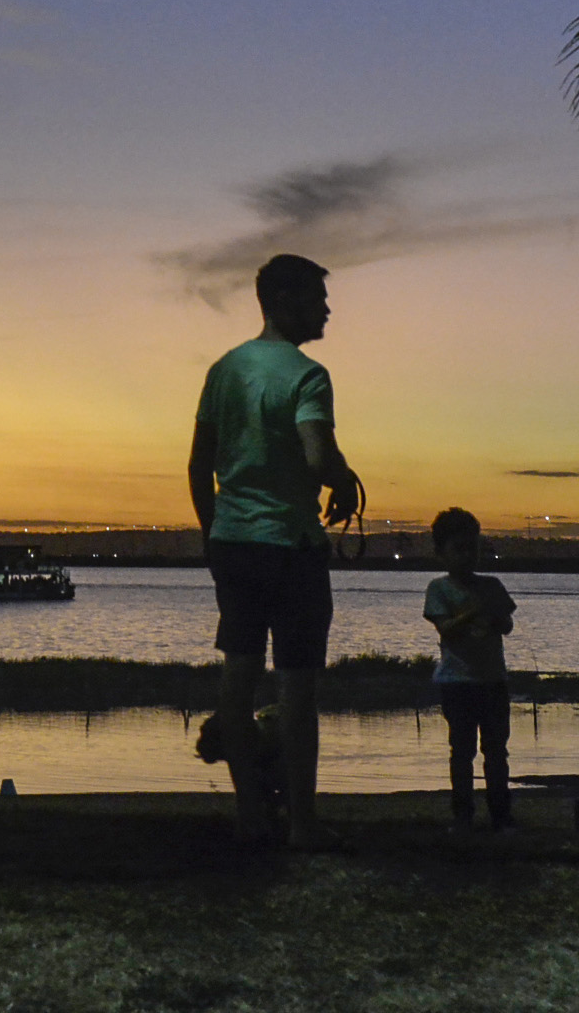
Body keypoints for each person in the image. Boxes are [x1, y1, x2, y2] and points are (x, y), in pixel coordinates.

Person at [186, 251, 361, 850]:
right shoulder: (309, 376)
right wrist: (341, 477)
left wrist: (213, 533)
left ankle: (251, 812)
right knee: (297, 689)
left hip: (234, 544)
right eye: (317, 298)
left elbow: (198, 465)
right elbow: (317, 454)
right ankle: (302, 823)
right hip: (291, 546)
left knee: (237, 676)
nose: (327, 309)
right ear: (285, 303)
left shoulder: (223, 371)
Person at [423, 506, 516, 832]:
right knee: (462, 752)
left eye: (472, 548)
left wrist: (495, 616)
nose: (468, 556)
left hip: (492, 681)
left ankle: (500, 815)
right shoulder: (438, 589)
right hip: (457, 683)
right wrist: (475, 612)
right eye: (459, 549)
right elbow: (446, 629)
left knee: (496, 752)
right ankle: (463, 815)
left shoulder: (492, 585)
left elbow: (506, 625)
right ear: (441, 553)